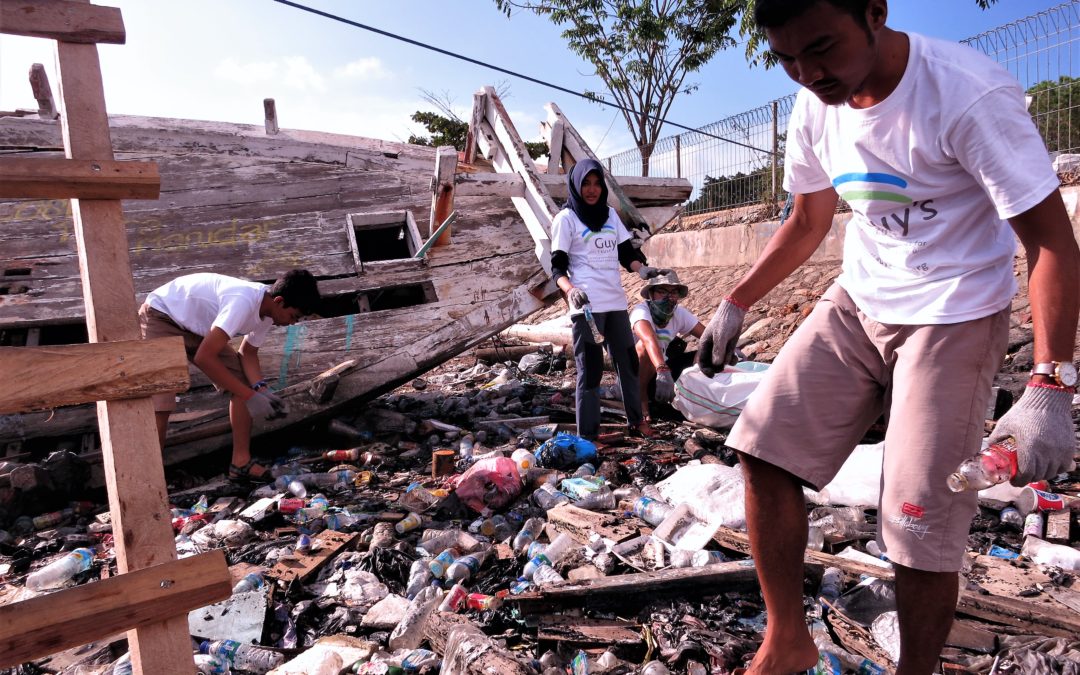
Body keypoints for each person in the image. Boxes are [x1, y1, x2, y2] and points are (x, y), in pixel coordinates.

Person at [697, 1, 1080, 673]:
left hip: (955, 312)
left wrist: (1051, 381)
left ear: (874, 12)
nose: (807, 73)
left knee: (916, 518)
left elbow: (1051, 241)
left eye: (822, 48)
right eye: (787, 59)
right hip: (861, 296)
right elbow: (808, 219)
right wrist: (734, 302)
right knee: (761, 449)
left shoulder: (966, 93)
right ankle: (787, 639)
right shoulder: (816, 103)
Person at [139, 270, 322, 481]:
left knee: (242, 382)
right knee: (161, 404)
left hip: (198, 328)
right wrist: (250, 396)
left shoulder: (268, 311)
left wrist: (261, 390)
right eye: (293, 316)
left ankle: (240, 463)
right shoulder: (243, 301)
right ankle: (149, 481)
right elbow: (204, 358)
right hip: (162, 316)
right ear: (279, 301)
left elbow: (248, 353)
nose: (293, 323)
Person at [550, 158, 667, 440]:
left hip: (615, 303)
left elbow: (626, 254)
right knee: (590, 372)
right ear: (576, 186)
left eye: (596, 184)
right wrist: (570, 290)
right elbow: (557, 268)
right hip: (587, 307)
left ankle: (636, 421)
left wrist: (642, 269)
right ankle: (588, 436)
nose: (592, 190)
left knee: (628, 364)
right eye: (586, 184)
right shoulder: (566, 219)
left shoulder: (611, 215)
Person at [629, 270, 704, 428]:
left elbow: (707, 335)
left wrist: (729, 347)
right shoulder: (640, 312)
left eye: (673, 292)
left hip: (665, 373)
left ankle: (699, 401)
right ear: (651, 294)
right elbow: (648, 339)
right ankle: (641, 400)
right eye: (662, 291)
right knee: (644, 347)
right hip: (638, 376)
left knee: (706, 352)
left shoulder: (679, 313)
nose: (668, 297)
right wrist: (662, 370)